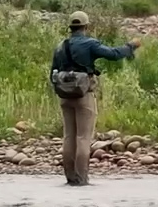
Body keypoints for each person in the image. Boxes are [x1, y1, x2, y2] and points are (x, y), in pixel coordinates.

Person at [49, 11, 140, 186]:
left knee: (69, 136)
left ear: (70, 27)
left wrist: (61, 89)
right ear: (86, 26)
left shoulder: (60, 46)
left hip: (64, 96)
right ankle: (82, 179)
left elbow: (52, 72)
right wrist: (130, 47)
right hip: (84, 95)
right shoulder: (89, 43)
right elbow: (113, 54)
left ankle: (70, 179)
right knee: (83, 137)